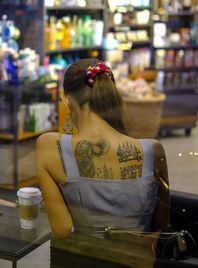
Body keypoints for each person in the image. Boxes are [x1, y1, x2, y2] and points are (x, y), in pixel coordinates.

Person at [36, 58, 169, 240]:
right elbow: (161, 225)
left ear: (67, 102)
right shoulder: (153, 150)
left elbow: (62, 230)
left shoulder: (49, 146)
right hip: (139, 261)